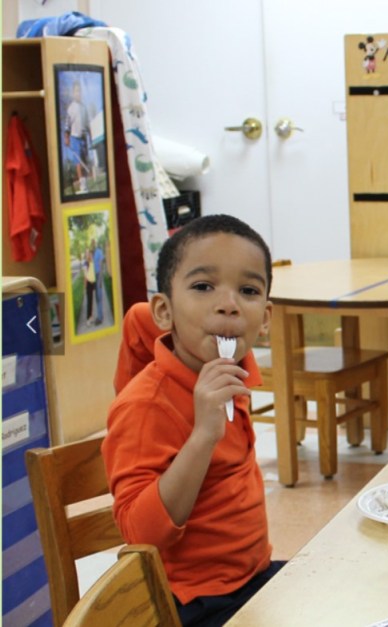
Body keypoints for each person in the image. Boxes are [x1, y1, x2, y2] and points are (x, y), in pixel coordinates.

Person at [102, 214, 281, 626]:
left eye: (248, 290)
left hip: (253, 578)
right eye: (203, 287)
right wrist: (203, 435)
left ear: (265, 319)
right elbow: (139, 536)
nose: (228, 304)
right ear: (165, 311)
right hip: (193, 604)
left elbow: (140, 318)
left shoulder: (231, 368)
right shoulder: (145, 406)